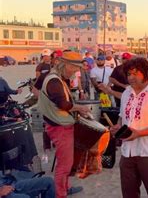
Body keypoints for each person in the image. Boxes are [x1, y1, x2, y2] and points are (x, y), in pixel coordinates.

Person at [109, 57, 148, 198]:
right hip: (127, 152)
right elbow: (122, 116)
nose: (131, 77)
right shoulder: (126, 93)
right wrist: (118, 126)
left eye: (136, 73)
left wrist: (140, 133)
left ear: (145, 73)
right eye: (129, 74)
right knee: (129, 193)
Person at [37, 51, 90, 198]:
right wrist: (80, 108)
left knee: (67, 162)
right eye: (75, 68)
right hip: (59, 127)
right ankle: (60, 194)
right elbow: (63, 104)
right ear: (65, 65)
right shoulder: (54, 80)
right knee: (64, 165)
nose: (76, 72)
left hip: (59, 123)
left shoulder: (57, 78)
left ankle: (66, 187)